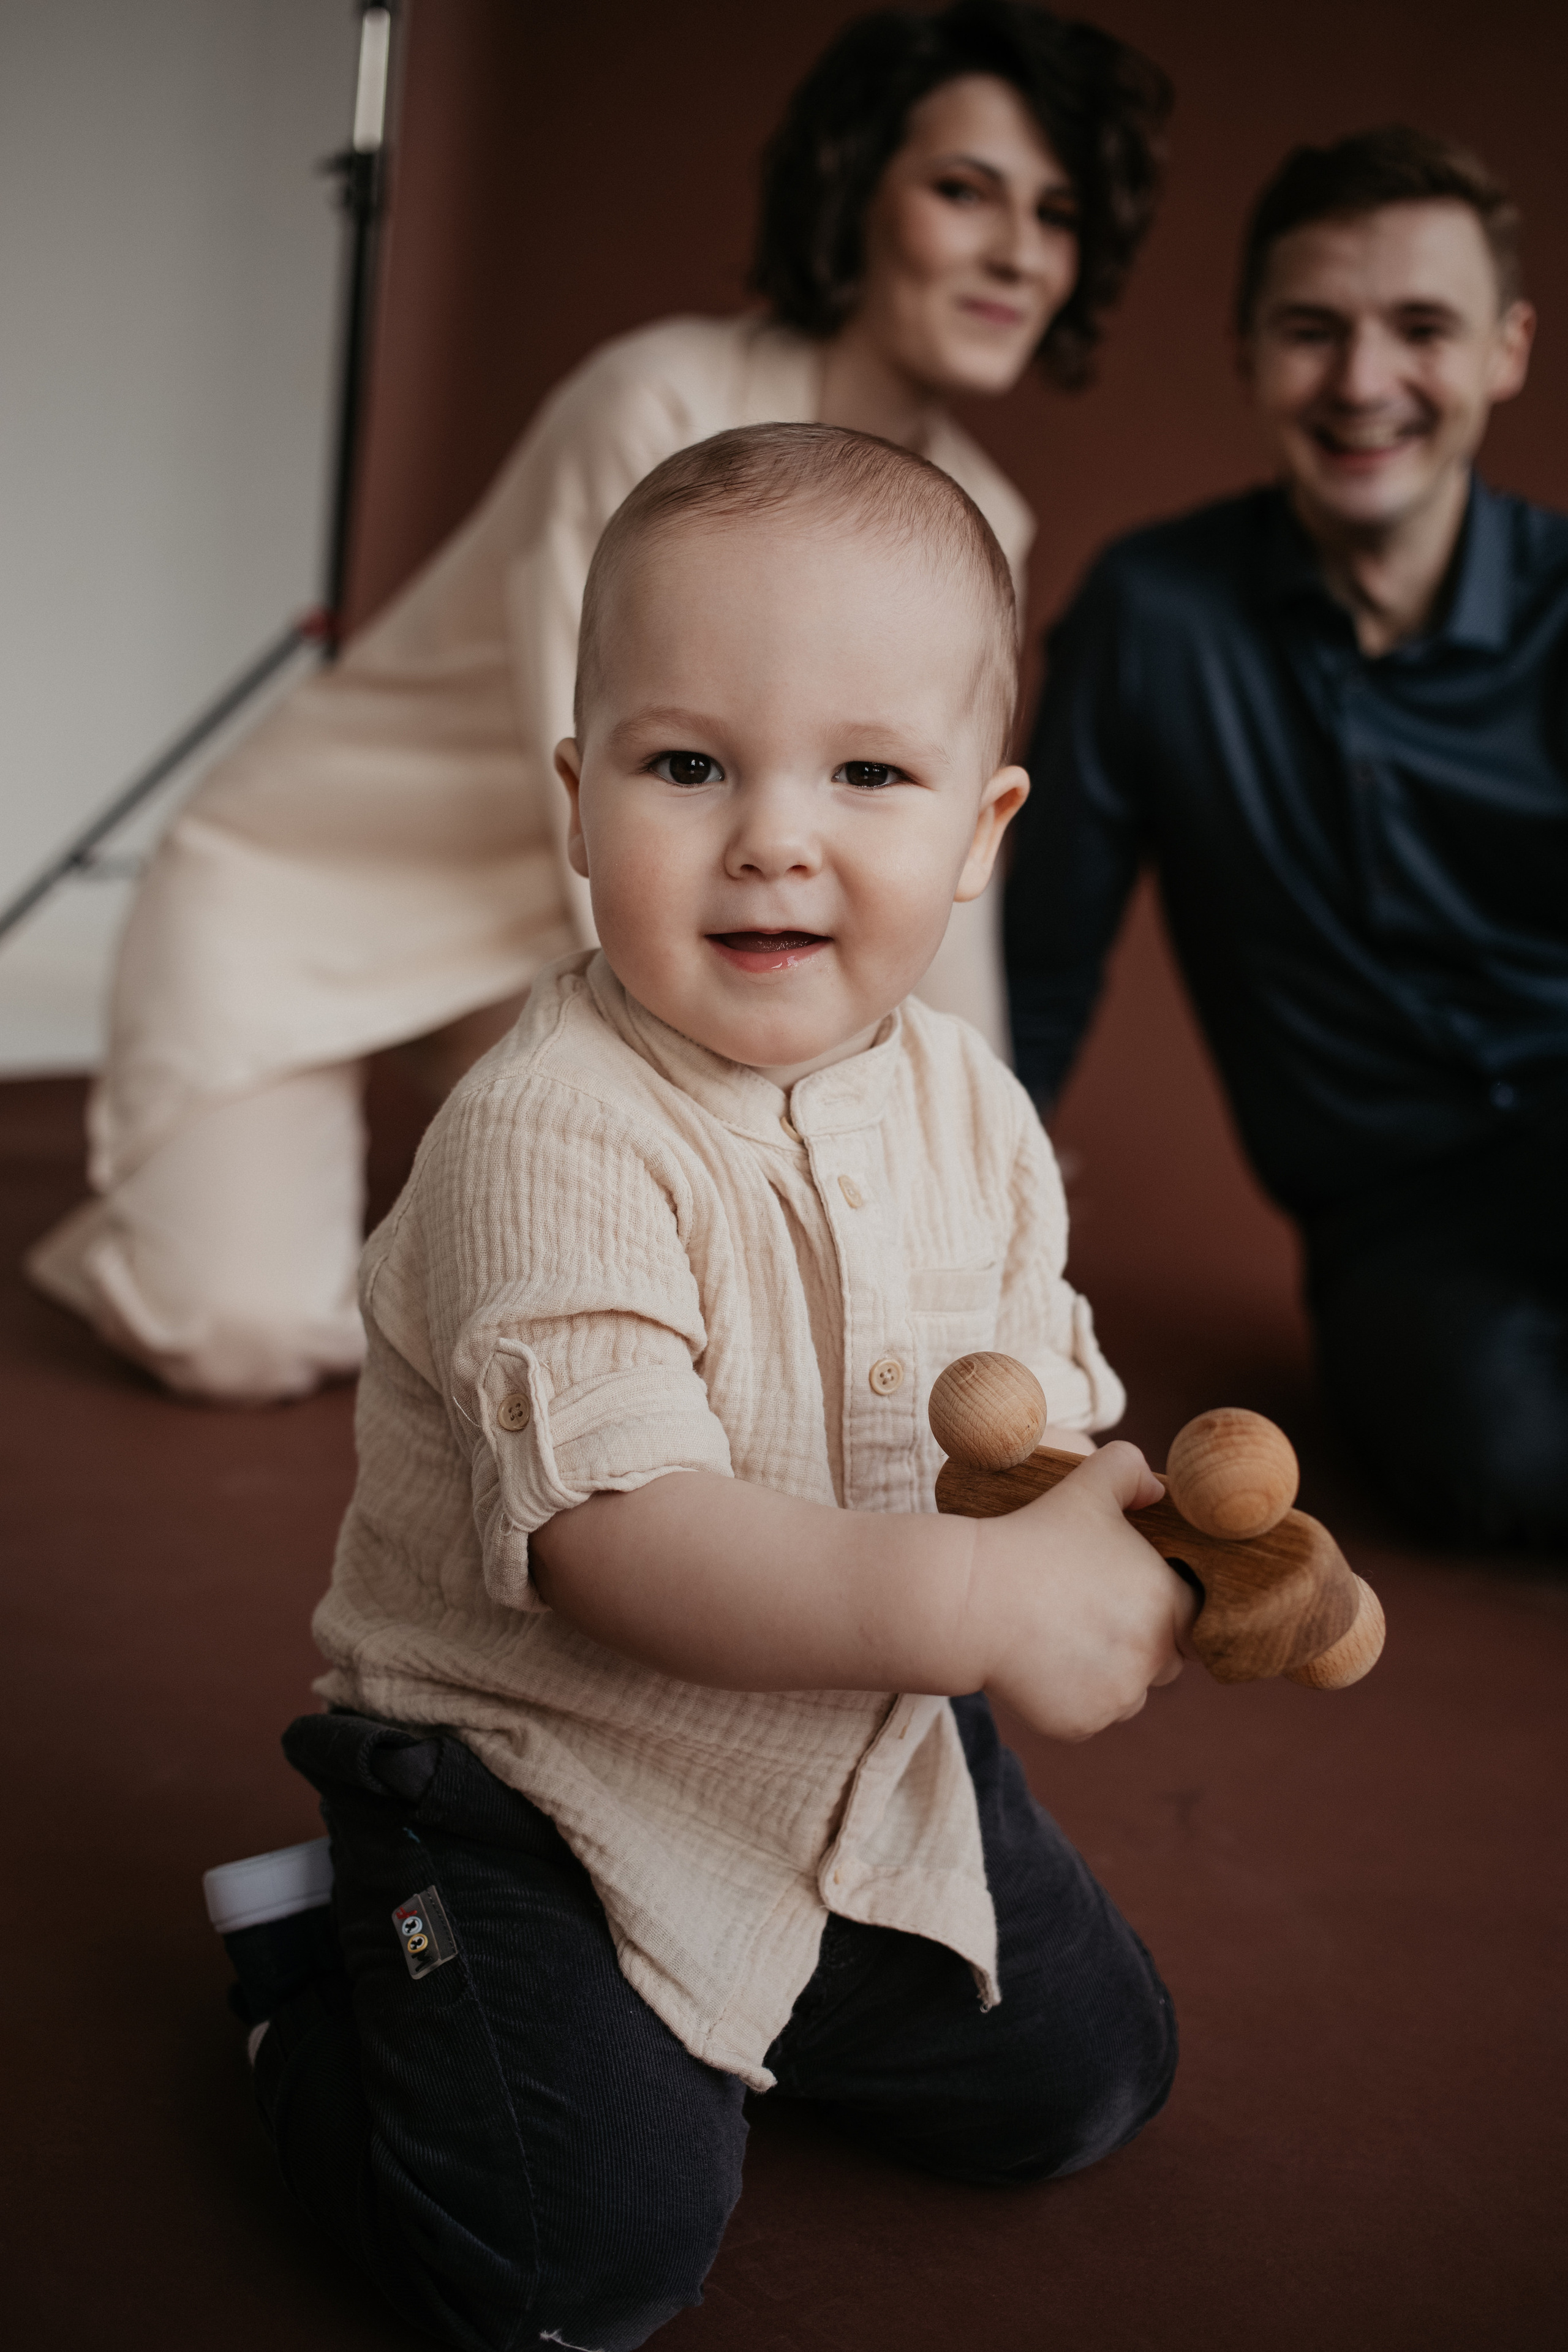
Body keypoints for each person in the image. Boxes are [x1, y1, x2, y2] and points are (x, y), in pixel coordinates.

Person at [209, 424, 1190, 2350]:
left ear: (982, 828)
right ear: (581, 803)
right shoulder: (549, 1131)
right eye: (688, 767)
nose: (773, 837)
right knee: (569, 2274)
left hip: (849, 1742)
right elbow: (621, 1542)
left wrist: (1138, 1541)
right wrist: (985, 1605)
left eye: (868, 774)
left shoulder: (974, 1110)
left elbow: (1025, 1435)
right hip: (537, 1787)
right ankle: (334, 1974)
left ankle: (738, 2002)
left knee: (1093, 2079)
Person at [26, 0, 1169, 1406]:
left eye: (1055, 216)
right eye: (963, 191)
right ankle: (157, 1206)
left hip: (571, 936)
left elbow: (929, 853)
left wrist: (975, 1142)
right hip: (343, 889)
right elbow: (608, 788)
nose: (1016, 253)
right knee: (240, 1335)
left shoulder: (982, 516)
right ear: (852, 187)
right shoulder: (653, 403)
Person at [1005, 126, 1568, 1553]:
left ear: (1504, 350)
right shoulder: (1149, 615)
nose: (1361, 382)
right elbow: (1034, 966)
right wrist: (961, 1223)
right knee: (1502, 1462)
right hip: (1393, 1215)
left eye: (1419, 328)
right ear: (1249, 353)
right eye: (1312, 330)